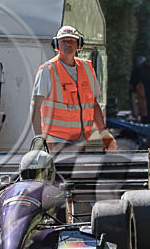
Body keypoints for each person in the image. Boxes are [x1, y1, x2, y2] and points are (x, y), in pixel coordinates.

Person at [30, 26, 116, 154]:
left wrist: (104, 133)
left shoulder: (87, 68)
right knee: (60, 173)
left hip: (80, 139)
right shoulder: (47, 70)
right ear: (56, 45)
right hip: (55, 140)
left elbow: (93, 104)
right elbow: (36, 105)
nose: (68, 44)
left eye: (72, 41)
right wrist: (38, 137)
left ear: (78, 45)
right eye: (64, 41)